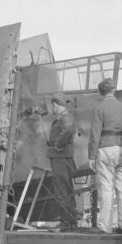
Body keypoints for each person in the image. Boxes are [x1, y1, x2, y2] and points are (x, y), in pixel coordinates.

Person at [88, 77, 122, 234]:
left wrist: (91, 156)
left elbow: (95, 133)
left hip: (106, 147)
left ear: (100, 92)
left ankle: (105, 226)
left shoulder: (100, 107)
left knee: (106, 187)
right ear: (114, 90)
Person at [47, 92, 78, 232]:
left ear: (55, 104)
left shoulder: (65, 118)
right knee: (67, 189)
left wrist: (57, 145)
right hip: (64, 158)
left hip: (60, 158)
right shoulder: (65, 118)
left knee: (61, 190)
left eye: (52, 105)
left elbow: (68, 130)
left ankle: (65, 223)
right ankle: (71, 222)